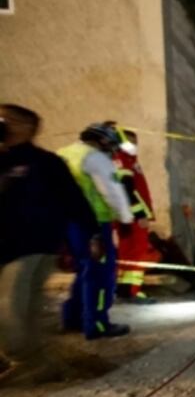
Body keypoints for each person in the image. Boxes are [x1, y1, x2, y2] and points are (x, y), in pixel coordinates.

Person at [0, 105, 97, 377]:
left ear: (28, 128)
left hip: (32, 245)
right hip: (4, 245)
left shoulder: (45, 162)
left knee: (9, 307)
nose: (2, 123)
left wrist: (92, 234)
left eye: (8, 119)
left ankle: (28, 359)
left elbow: (74, 199)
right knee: (25, 309)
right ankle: (32, 361)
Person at [58, 123, 135, 340]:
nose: (113, 149)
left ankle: (72, 319)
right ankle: (97, 324)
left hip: (68, 223)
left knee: (83, 271)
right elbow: (112, 191)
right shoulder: (96, 158)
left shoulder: (63, 153)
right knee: (100, 275)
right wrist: (126, 219)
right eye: (111, 143)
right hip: (94, 223)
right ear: (102, 140)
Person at [111, 128, 159, 304]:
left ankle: (124, 289)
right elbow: (127, 189)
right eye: (130, 142)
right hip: (132, 216)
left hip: (128, 215)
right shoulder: (122, 160)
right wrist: (139, 214)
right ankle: (131, 290)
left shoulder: (130, 160)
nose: (134, 146)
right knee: (137, 252)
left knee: (128, 252)